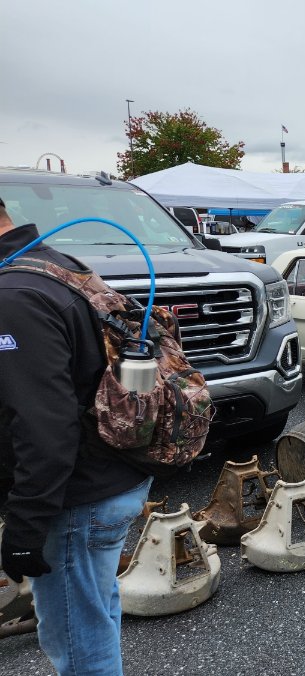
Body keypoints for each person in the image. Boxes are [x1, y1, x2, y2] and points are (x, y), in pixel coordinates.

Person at [0, 196, 153, 674]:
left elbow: (45, 426)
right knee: (95, 615)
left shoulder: (13, 295)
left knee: (79, 646)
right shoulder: (55, 265)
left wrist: (26, 526)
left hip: (77, 503)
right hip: (114, 476)